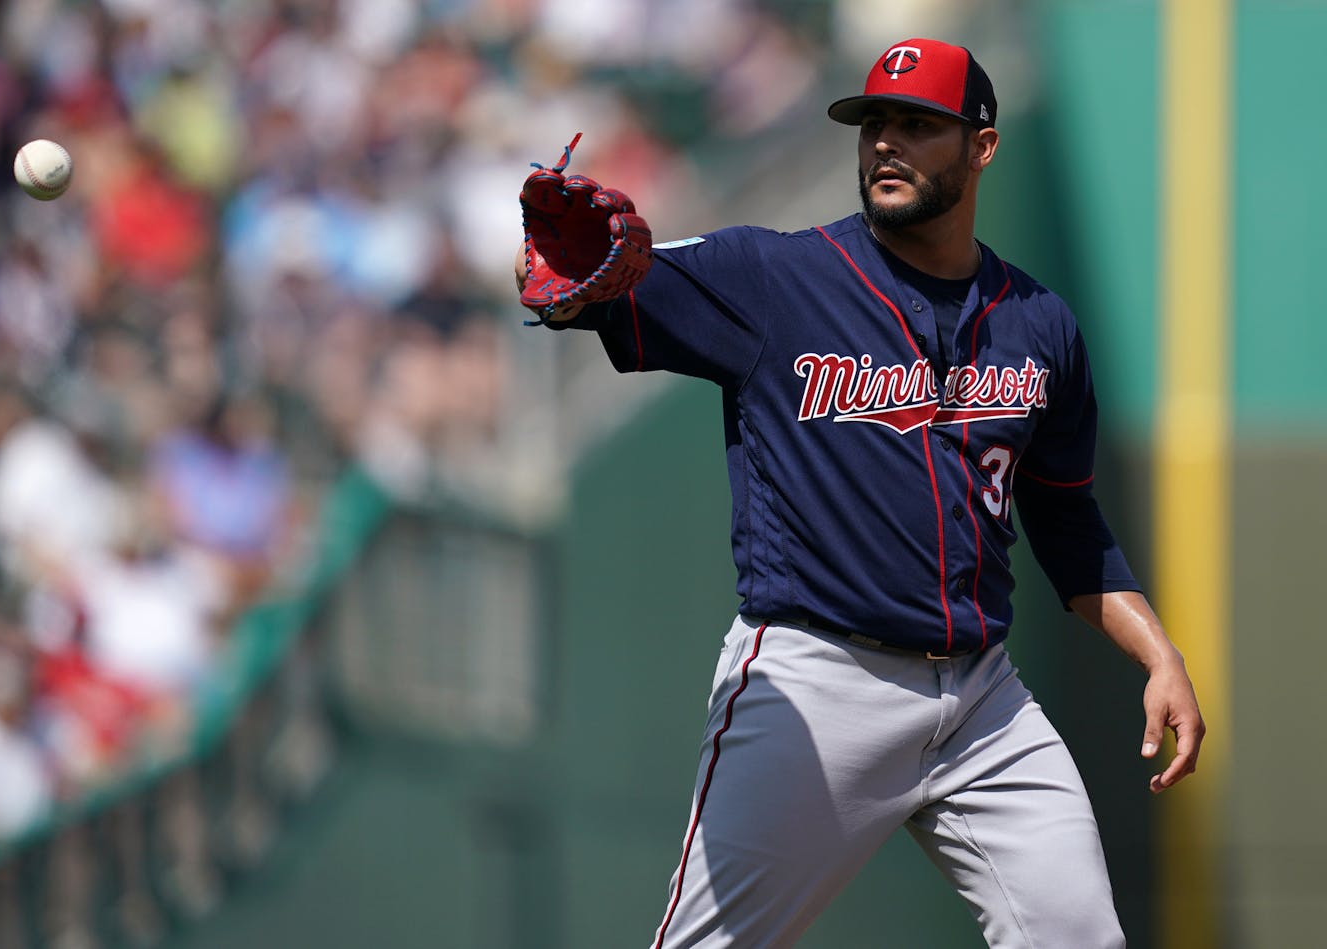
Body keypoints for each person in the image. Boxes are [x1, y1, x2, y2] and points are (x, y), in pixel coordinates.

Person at [515, 37, 1205, 949]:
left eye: (918, 126)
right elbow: (596, 285)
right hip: (818, 684)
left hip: (984, 705)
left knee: (1081, 937)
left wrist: (1159, 655)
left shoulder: (1039, 323)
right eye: (873, 122)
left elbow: (1069, 519)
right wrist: (571, 283)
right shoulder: (775, 278)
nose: (885, 143)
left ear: (982, 147)